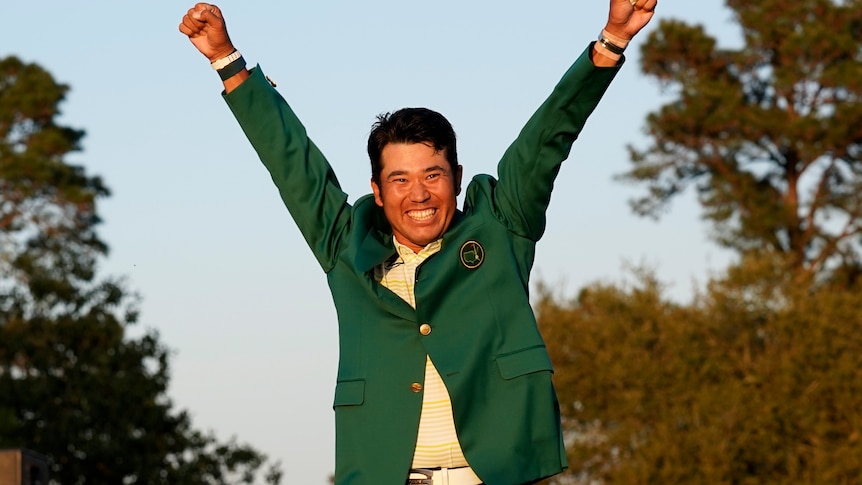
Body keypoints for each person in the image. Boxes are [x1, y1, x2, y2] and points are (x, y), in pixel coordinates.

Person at [179, 2, 656, 484]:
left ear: (457, 177)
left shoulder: (501, 226)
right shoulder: (344, 246)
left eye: (433, 174)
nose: (419, 194)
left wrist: (612, 41)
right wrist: (227, 60)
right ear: (378, 192)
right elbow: (289, 160)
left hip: (497, 473)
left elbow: (549, 135)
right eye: (400, 180)